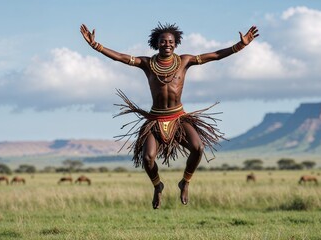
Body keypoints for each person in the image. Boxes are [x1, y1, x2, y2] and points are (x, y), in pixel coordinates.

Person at [80, 22, 258, 209]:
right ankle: (158, 186)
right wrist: (96, 46)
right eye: (163, 41)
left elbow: (214, 56)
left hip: (179, 118)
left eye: (171, 41)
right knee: (148, 158)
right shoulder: (147, 63)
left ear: (176, 43)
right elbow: (121, 58)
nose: (167, 44)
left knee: (198, 147)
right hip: (155, 120)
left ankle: (185, 182)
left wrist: (240, 46)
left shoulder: (185, 61)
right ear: (156, 43)